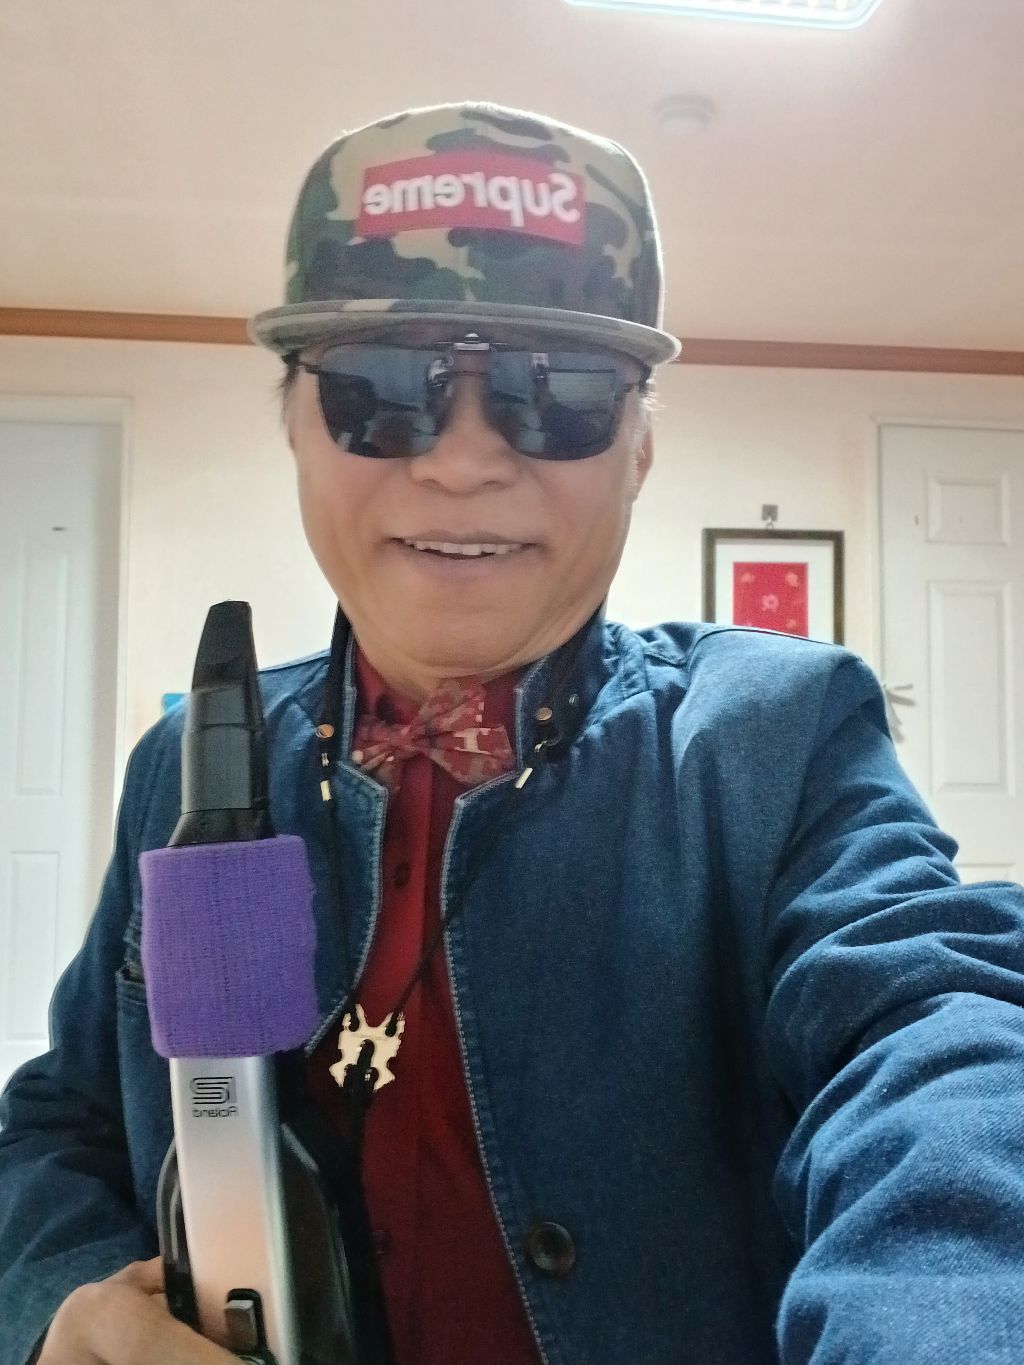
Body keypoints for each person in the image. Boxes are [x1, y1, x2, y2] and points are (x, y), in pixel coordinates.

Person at [2, 100, 1024, 1365]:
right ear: (294, 424)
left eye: (562, 395)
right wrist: (62, 1302)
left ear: (639, 448)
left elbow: (934, 1038)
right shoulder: (189, 767)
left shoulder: (771, 738)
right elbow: (58, 1127)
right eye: (380, 393)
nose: (464, 462)